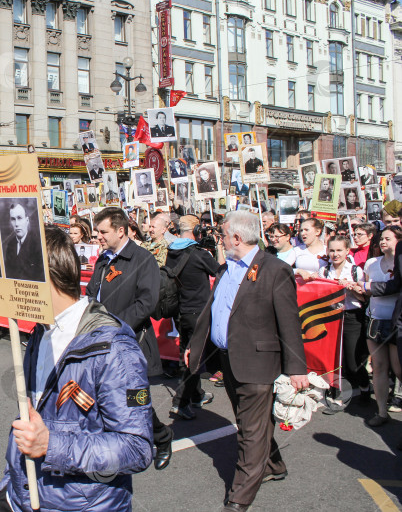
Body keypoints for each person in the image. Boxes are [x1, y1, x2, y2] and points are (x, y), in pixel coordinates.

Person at [0, 225, 153, 512]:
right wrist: (8, 488)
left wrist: (52, 445)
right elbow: (31, 420)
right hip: (25, 499)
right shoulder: (39, 332)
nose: (6, 287)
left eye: (13, 275)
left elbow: (137, 448)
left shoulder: (115, 348)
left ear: (41, 275)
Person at [186, 211, 309, 512]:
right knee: (248, 421)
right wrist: (196, 344)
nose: (220, 239)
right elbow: (213, 310)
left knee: (250, 432)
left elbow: (289, 322)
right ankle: (273, 464)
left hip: (257, 362)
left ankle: (239, 497)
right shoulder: (226, 268)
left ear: (237, 238)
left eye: (224, 235)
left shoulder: (274, 269)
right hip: (228, 360)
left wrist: (297, 368)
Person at [85, 208, 172, 470]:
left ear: (120, 231)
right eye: (97, 231)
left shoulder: (142, 259)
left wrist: (112, 325)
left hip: (129, 341)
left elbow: (146, 303)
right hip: (99, 338)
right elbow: (92, 294)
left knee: (136, 397)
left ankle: (162, 437)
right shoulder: (103, 259)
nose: (98, 236)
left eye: (103, 232)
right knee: (103, 394)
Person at [166, 215, 223, 420]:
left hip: (180, 311)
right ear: (197, 230)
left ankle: (197, 394)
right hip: (197, 312)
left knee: (186, 354)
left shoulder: (172, 251)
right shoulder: (198, 253)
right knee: (193, 358)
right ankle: (179, 402)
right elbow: (220, 271)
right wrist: (219, 250)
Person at [319, 236, 370, 408]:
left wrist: (351, 287)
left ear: (347, 251)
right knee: (334, 357)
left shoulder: (355, 270)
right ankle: (337, 390)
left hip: (351, 316)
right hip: (331, 316)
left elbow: (363, 297)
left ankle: (364, 387)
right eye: (332, 250)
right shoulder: (324, 271)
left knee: (353, 360)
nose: (335, 254)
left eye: (339, 250)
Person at [361, 226, 402, 426]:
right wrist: (359, 287)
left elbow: (392, 288)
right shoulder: (371, 263)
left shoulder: (400, 263)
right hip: (375, 320)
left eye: (388, 238)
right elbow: (367, 290)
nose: (383, 242)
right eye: (381, 239)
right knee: (379, 367)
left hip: (395, 323)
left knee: (398, 368)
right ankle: (382, 411)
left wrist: (367, 287)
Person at [2, 202, 45, 282]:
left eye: (19, 218)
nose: (16, 224)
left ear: (27, 220)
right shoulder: (10, 245)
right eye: (13, 219)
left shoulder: (38, 244)